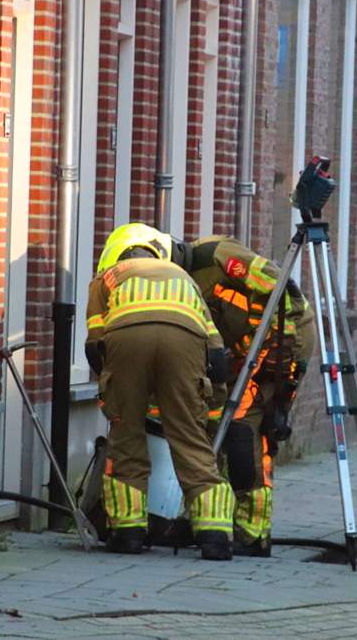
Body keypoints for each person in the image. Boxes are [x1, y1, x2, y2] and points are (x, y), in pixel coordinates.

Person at [126, 224, 315, 557]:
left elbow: (283, 290)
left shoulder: (215, 255)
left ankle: (252, 532)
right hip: (239, 354)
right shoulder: (173, 283)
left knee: (244, 429)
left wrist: (277, 354)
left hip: (279, 342)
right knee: (210, 422)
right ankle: (214, 517)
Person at [86, 224, 236, 561]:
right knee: (189, 436)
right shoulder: (184, 278)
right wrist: (206, 398)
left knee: (126, 434)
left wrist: (115, 388)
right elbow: (215, 351)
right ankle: (216, 537)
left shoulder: (106, 279)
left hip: (126, 341)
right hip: (185, 343)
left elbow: (95, 345)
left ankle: (128, 534)